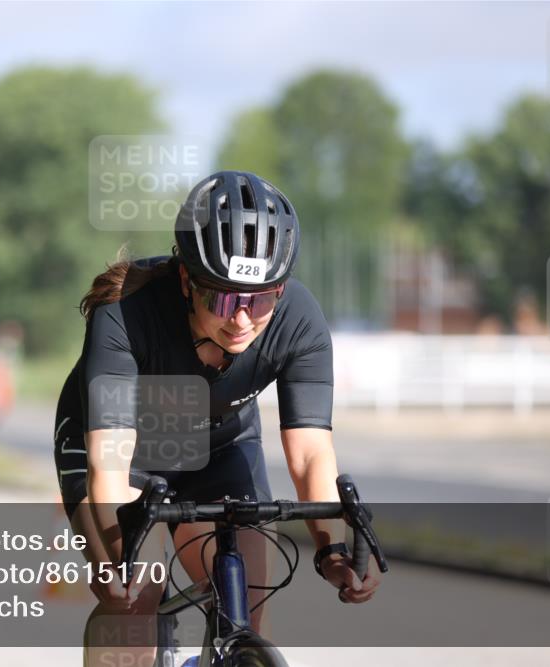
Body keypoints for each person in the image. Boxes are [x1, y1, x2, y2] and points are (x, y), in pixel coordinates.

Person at [53, 171, 382, 665]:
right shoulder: (125, 314)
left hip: (219, 443)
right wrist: (125, 563)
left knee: (246, 608)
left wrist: (331, 549)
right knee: (133, 599)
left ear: (282, 289)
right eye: (224, 297)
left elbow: (311, 451)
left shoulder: (300, 320)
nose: (242, 318)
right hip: (117, 447)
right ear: (187, 280)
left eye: (261, 299)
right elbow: (110, 464)